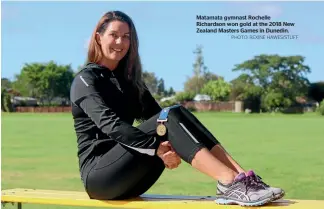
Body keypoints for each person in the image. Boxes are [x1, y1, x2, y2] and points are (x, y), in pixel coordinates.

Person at [70, 10, 285, 207]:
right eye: (114, 35)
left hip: (130, 176)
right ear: (98, 37)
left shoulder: (130, 82)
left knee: (177, 112)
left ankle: (242, 178)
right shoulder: (85, 80)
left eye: (126, 37)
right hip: (100, 177)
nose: (120, 42)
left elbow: (161, 119)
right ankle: (229, 182)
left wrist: (170, 144)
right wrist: (158, 150)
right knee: (170, 116)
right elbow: (112, 126)